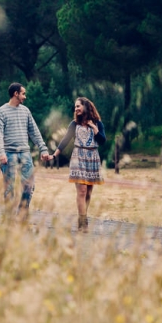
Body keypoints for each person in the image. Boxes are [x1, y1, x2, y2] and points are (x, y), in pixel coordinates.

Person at [0, 83, 51, 218]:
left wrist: (43, 149)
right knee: (10, 188)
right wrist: (1, 153)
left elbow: (34, 131)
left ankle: (22, 211)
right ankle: (9, 217)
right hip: (9, 153)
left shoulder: (25, 111)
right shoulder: (1, 112)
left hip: (25, 153)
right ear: (16, 94)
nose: (24, 97)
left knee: (29, 185)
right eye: (23, 94)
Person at [51, 97, 106, 233]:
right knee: (81, 191)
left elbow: (103, 140)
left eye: (78, 106)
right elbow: (65, 140)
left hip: (92, 158)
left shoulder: (98, 123)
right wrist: (54, 154)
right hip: (78, 157)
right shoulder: (74, 124)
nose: (76, 109)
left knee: (88, 193)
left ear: (86, 107)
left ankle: (83, 216)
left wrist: (94, 127)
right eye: (75, 107)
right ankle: (83, 223)